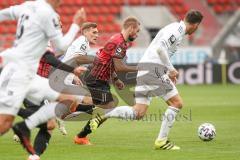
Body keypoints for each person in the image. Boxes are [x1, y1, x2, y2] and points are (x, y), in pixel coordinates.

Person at [89, 10, 203, 150]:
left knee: (138, 112)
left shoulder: (173, 28)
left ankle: (104, 115)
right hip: (152, 70)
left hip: (147, 69)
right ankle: (162, 141)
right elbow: (160, 49)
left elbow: (160, 50)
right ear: (196, 25)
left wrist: (165, 71)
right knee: (176, 103)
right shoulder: (177, 30)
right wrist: (171, 69)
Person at [0, 0, 86, 157]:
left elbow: (5, 14)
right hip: (18, 74)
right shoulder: (47, 13)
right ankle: (24, 125)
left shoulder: (29, 6)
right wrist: (75, 25)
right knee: (4, 124)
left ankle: (26, 131)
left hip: (30, 75)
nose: (60, 4)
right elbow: (61, 46)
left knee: (69, 102)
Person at [73, 16, 141, 144]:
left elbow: (108, 61)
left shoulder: (118, 39)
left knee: (105, 110)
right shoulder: (119, 42)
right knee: (108, 108)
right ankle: (79, 132)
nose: (137, 35)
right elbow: (120, 66)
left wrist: (115, 79)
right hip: (96, 78)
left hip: (99, 78)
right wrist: (139, 68)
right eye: (137, 31)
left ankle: (80, 128)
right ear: (131, 28)